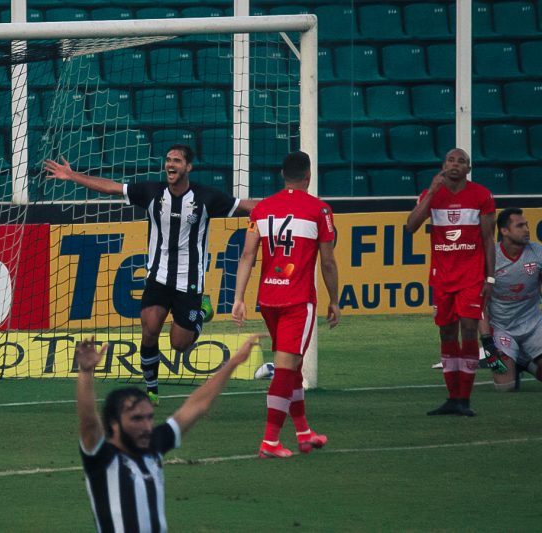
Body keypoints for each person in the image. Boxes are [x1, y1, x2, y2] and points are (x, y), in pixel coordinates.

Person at [45, 145, 257, 405]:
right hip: (157, 277)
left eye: (177, 161)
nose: (170, 164)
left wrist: (286, 205)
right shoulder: (151, 192)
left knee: (179, 344)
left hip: (188, 282)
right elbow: (112, 187)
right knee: (150, 328)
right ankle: (152, 388)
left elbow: (245, 206)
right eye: (168, 160)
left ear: (188, 167)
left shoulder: (206, 197)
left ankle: (202, 311)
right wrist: (73, 175)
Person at [76, 333, 263, 532]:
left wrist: (234, 362)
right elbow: (88, 423)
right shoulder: (103, 458)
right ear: (113, 424)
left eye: (149, 417)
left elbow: (197, 405)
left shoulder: (153, 445)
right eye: (136, 419)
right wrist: (86, 373)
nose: (147, 426)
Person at [232, 151, 340, 458]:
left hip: (268, 298)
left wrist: (239, 298)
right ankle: (269, 441)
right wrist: (335, 300)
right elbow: (328, 262)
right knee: (285, 368)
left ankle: (304, 433)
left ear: (282, 174)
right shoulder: (320, 210)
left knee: (292, 366)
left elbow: (247, 256)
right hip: (297, 301)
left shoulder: (262, 209)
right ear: (308, 176)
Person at [406, 148, 496, 416]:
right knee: (446, 331)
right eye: (451, 160)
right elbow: (410, 226)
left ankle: (464, 398)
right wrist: (432, 192)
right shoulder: (430, 194)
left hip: (471, 275)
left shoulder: (481, 195)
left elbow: (489, 240)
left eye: (461, 161)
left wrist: (490, 277)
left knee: (469, 328)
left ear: (468, 169)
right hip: (442, 276)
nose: (455, 164)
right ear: (443, 165)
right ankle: (452, 397)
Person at [481, 208, 542, 391]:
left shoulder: (537, 253)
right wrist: (487, 343)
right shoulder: (491, 259)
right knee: (504, 386)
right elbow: (481, 305)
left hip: (533, 324)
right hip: (501, 329)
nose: (526, 229)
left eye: (527, 225)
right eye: (520, 225)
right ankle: (521, 362)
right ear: (504, 231)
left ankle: (525, 362)